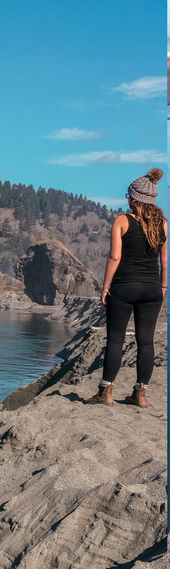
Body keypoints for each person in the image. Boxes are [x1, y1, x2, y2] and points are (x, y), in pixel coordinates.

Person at [86, 168, 166, 407]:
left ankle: (105, 392)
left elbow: (114, 258)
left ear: (134, 198)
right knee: (146, 341)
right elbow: (164, 260)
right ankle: (140, 394)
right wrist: (163, 288)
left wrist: (105, 288)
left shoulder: (122, 221)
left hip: (124, 287)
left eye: (128, 195)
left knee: (115, 340)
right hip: (152, 289)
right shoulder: (163, 224)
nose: (127, 199)